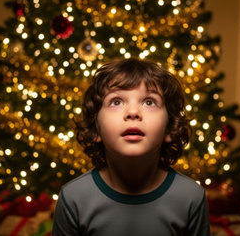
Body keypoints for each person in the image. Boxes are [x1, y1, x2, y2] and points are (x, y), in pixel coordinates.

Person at [52, 58, 210, 236]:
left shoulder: (191, 198)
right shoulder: (73, 198)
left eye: (149, 102)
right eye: (116, 101)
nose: (133, 113)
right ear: (96, 128)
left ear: (170, 127)